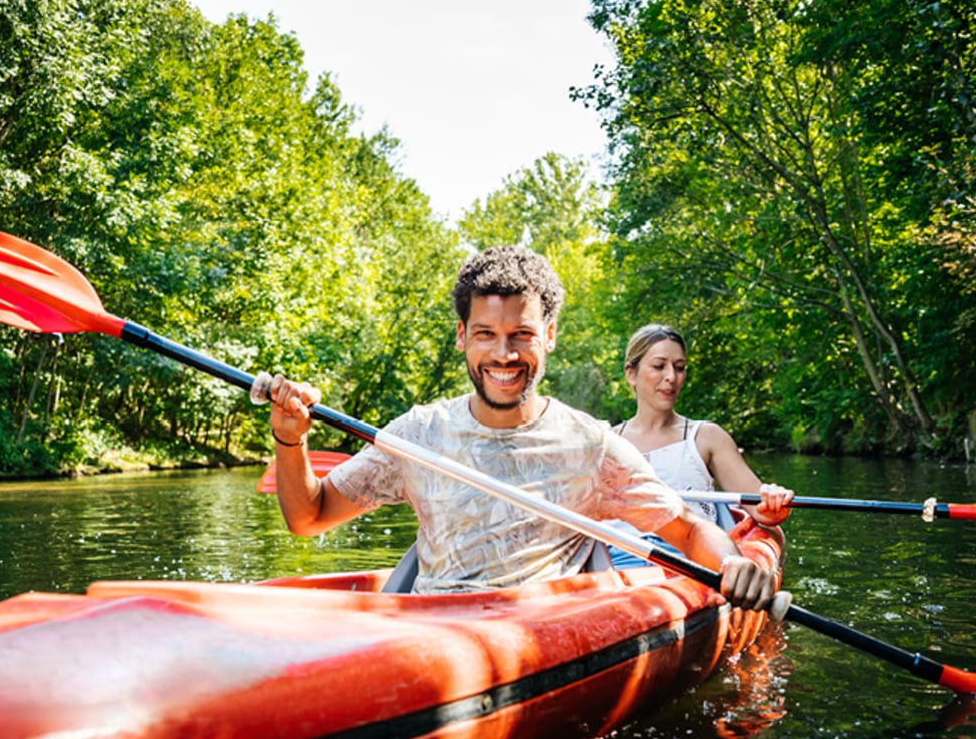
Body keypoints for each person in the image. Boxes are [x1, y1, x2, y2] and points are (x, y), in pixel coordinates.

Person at [263, 246, 777, 610]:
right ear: (462, 336)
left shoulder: (590, 446)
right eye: (485, 334)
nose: (503, 354)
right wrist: (292, 439)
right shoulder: (418, 434)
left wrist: (733, 563)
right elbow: (308, 517)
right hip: (426, 633)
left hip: (530, 641)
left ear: (549, 336)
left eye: (521, 335)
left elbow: (687, 527)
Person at [607, 323, 792, 567]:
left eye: (679, 368)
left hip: (688, 563)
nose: (671, 377)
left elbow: (759, 508)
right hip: (614, 561)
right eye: (659, 366)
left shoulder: (706, 437)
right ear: (631, 373)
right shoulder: (605, 442)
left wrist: (773, 503)